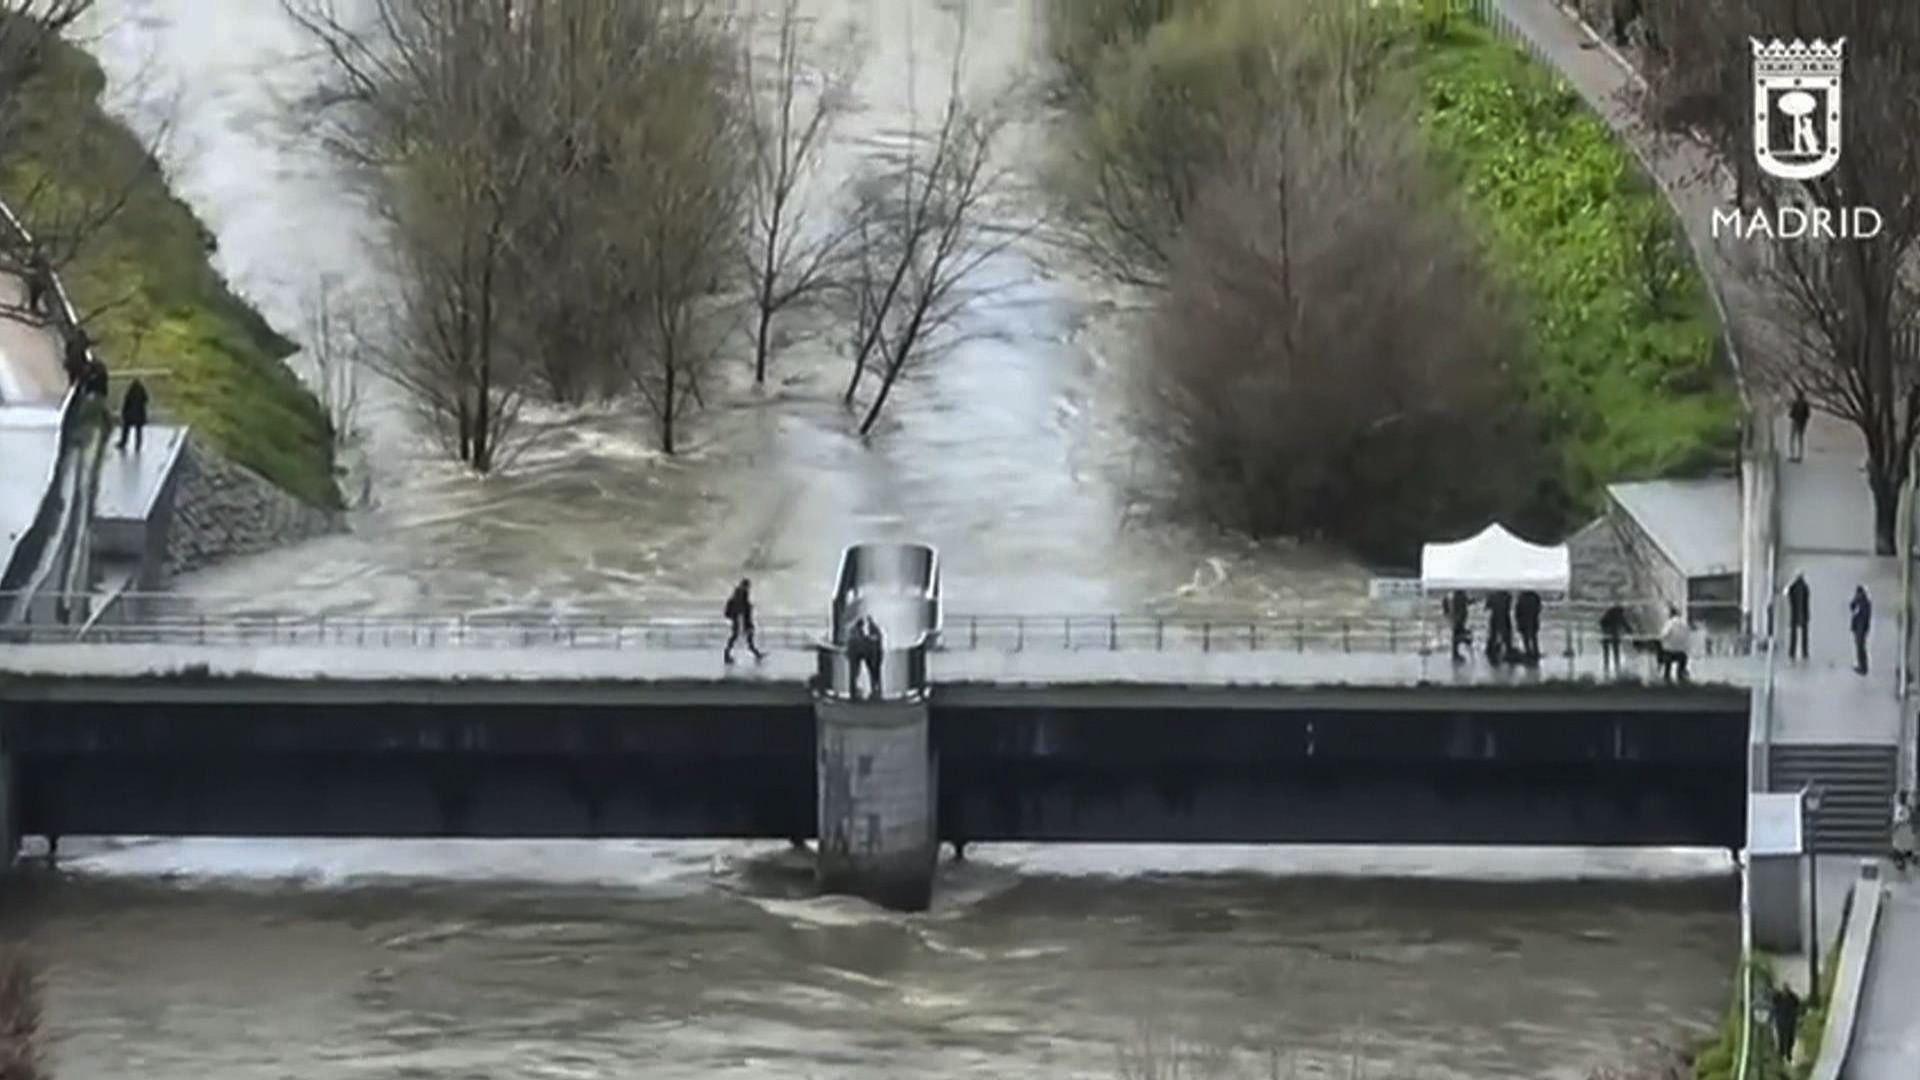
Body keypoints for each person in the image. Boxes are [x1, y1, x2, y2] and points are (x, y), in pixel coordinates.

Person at [722, 578, 764, 664]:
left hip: (739, 618)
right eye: (748, 586)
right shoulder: (742, 593)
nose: (749, 588)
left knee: (738, 636)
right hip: (741, 619)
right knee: (740, 635)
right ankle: (727, 654)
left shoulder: (738, 593)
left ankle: (756, 653)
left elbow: (742, 606)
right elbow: (741, 607)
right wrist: (742, 618)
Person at [1659, 606, 1691, 683]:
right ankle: (1680, 675)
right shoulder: (1684, 624)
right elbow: (1688, 636)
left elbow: (1663, 635)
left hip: (1670, 652)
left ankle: (1666, 677)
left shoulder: (1670, 623)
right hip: (1681, 653)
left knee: (1666, 661)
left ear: (1671, 614)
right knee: (1682, 660)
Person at [1771, 985, 1802, 1062]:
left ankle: (1788, 1054)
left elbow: (1797, 1004)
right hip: (1781, 1022)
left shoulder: (1792, 998)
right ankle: (1781, 1054)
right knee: (1781, 1037)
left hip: (1790, 1022)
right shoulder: (1778, 998)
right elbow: (1773, 1002)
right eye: (1784, 991)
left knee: (1790, 1038)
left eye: (1786, 991)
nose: (1785, 993)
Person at [118, 377, 149, 452]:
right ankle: (138, 445)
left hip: (130, 415)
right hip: (139, 415)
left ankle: (123, 442)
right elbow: (146, 400)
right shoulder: (142, 392)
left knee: (126, 429)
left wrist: (123, 413)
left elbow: (126, 403)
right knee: (138, 431)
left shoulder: (130, 392)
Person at [857, 614, 884, 699]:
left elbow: (874, 641)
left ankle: (876, 688)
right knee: (874, 673)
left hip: (873, 656)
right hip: (872, 656)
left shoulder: (874, 632)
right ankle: (876, 688)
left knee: (874, 672)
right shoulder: (874, 632)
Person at [1785, 573, 1810, 661]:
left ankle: (1792, 652)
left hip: (1795, 613)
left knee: (1794, 634)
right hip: (1803, 614)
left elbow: (1787, 594)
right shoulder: (1805, 587)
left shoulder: (1793, 586)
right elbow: (1806, 601)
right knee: (1804, 635)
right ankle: (1804, 652)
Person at [1514, 590, 1543, 663]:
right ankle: (1535, 652)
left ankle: (1529, 652)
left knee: (1526, 638)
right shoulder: (1535, 597)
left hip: (1523, 621)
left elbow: (1517, 611)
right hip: (1533, 620)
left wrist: (1518, 620)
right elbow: (1539, 609)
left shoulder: (1521, 598)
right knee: (1533, 638)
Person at [1486, 590, 1514, 664]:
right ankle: (1508, 650)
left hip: (1495, 617)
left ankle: (1491, 649)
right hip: (1504, 617)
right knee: (1506, 635)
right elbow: (1508, 607)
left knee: (1493, 634)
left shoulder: (1493, 596)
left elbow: (1487, 607)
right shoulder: (1507, 596)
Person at [1599, 603, 1628, 673]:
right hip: (1611, 633)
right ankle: (1616, 666)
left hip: (1607, 633)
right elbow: (1624, 623)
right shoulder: (1617, 614)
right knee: (1615, 650)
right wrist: (1629, 630)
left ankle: (1607, 666)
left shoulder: (1609, 613)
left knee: (1607, 652)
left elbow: (1601, 622)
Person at [1890, 791, 1915, 874]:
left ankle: (1906, 859)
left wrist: (1894, 828)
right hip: (1902, 830)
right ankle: (1905, 859)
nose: (1903, 798)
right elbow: (1899, 820)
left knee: (1900, 847)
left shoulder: (1904, 808)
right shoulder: (1901, 807)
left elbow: (1900, 820)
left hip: (1903, 830)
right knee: (1900, 847)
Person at [1850, 584, 1872, 675]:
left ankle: (1862, 667)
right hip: (1862, 628)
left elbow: (1852, 606)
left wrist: (1855, 599)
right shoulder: (1866, 602)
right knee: (1861, 647)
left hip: (1860, 628)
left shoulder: (1861, 602)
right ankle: (1863, 666)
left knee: (1860, 647)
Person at [1446, 589, 1471, 664]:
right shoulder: (1461, 596)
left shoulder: (1454, 596)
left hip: (1457, 619)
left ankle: (1455, 653)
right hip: (1460, 619)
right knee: (1458, 636)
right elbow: (1468, 602)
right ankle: (1457, 653)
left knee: (1456, 636)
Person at [1787, 391, 1811, 462]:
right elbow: (1808, 415)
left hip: (1796, 422)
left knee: (1793, 439)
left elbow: (1791, 414)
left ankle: (1792, 455)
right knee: (1799, 440)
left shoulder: (1795, 403)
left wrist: (1793, 415)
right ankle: (1799, 456)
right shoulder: (1805, 404)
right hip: (1801, 423)